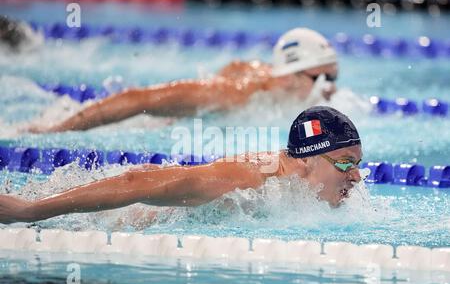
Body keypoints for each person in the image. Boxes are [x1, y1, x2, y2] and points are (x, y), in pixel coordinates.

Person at [0, 106, 362, 224]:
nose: (357, 177)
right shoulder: (254, 175)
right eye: (347, 164)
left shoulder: (296, 188)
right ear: (311, 158)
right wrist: (31, 211)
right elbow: (135, 183)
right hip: (106, 219)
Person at [28, 28, 338, 133]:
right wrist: (56, 130)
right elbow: (139, 100)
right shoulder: (236, 94)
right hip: (148, 122)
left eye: (334, 77)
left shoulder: (283, 96)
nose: (331, 87)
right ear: (293, 75)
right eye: (323, 77)